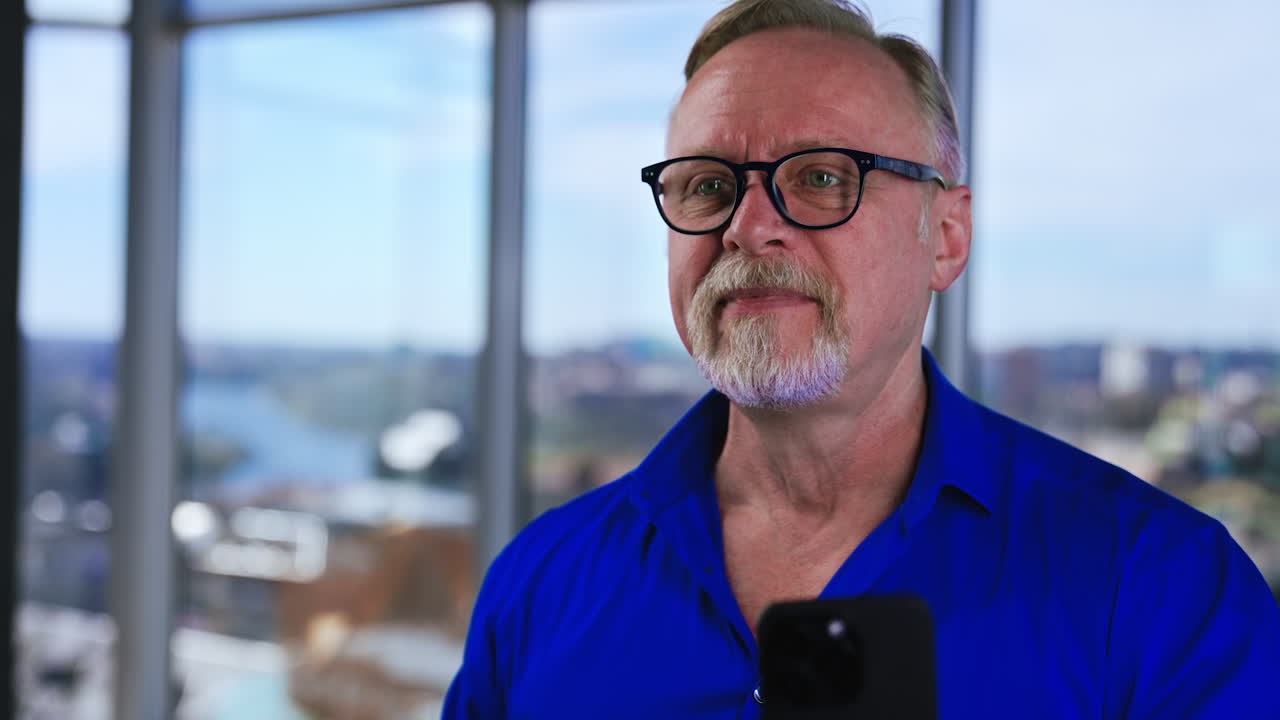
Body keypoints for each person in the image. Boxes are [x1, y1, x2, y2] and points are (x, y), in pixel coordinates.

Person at [444, 1, 1280, 717]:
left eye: (820, 178)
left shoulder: (1162, 591)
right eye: (706, 185)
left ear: (945, 238)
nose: (747, 227)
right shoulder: (540, 584)